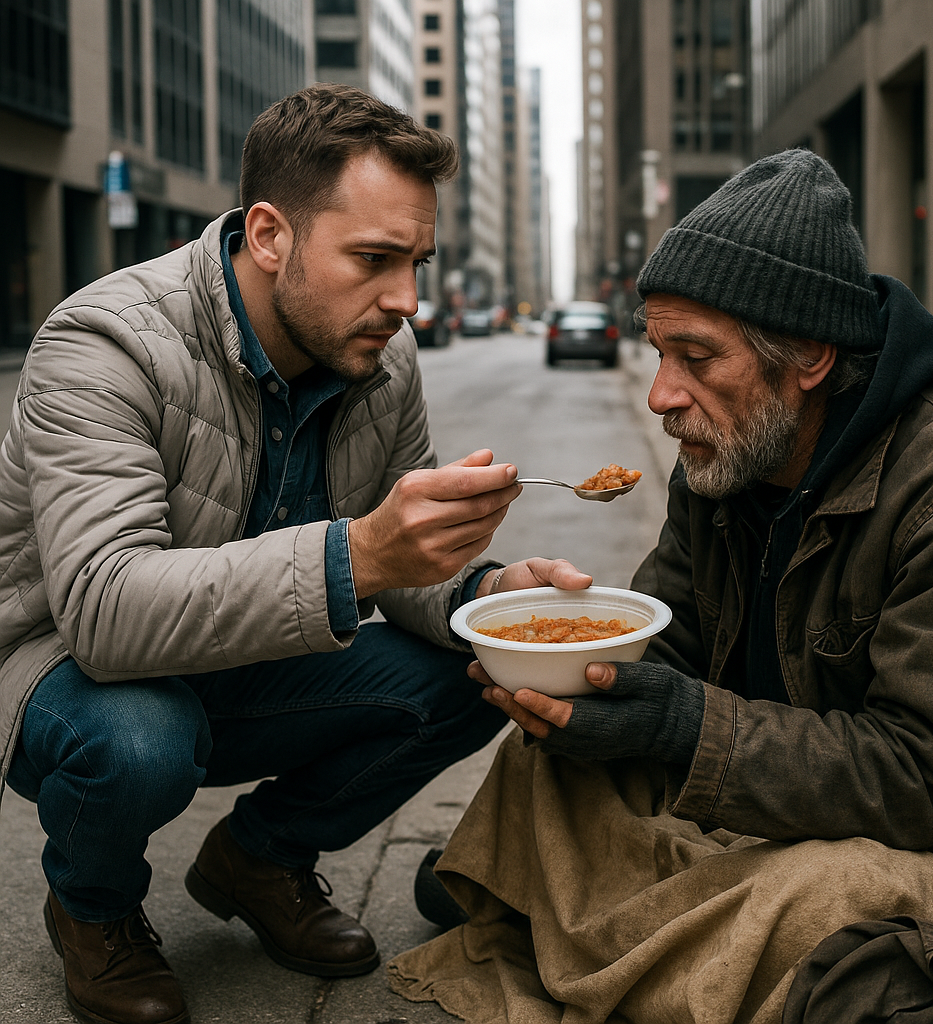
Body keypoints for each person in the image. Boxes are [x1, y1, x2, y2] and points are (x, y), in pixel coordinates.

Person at [0, 84, 591, 1024]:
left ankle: (261, 859)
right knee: (142, 740)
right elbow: (105, 615)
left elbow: (405, 568)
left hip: (248, 661)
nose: (405, 300)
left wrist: (488, 591)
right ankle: (94, 911)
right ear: (270, 236)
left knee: (480, 665)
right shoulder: (103, 343)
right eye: (374, 260)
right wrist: (360, 554)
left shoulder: (379, 356)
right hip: (69, 672)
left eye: (417, 263)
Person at [388, 149, 933, 1023]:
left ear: (806, 356)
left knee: (819, 898)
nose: (660, 395)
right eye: (659, 352)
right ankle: (615, 922)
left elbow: (923, 778)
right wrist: (578, 684)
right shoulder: (726, 457)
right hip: (770, 805)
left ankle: (562, 910)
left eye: (695, 357)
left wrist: (680, 724)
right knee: (551, 767)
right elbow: (674, 644)